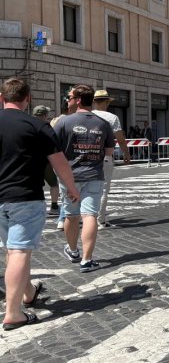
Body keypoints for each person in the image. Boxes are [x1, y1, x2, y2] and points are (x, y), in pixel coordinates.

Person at [0, 79, 80, 330]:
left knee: (13, 251)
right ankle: (13, 313)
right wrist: (72, 189)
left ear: (2, 98)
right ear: (28, 99)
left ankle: (29, 293)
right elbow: (60, 163)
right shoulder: (37, 125)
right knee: (20, 251)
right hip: (25, 195)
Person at [53, 85, 115, 274]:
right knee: (90, 216)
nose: (68, 100)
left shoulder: (63, 123)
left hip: (70, 176)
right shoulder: (103, 123)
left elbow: (54, 151)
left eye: (70, 97)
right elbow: (109, 152)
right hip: (94, 175)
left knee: (71, 215)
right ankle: (87, 260)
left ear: (79, 100)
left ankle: (73, 251)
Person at [91, 90, 131, 228]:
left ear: (94, 102)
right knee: (103, 188)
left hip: (84, 156)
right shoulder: (112, 117)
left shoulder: (86, 115)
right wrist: (126, 153)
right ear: (107, 102)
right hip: (105, 156)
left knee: (86, 188)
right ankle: (100, 219)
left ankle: (86, 218)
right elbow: (120, 139)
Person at [32, 106, 60, 216]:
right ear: (44, 115)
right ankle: (54, 206)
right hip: (46, 161)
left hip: (31, 161)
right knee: (54, 184)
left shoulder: (27, 124)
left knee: (35, 185)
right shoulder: (45, 126)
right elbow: (53, 143)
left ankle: (35, 208)